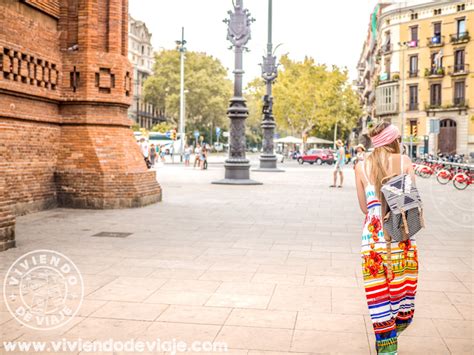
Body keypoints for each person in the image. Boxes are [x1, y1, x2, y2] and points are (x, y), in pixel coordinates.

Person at [354, 122, 418, 355]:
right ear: (393, 140)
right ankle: (396, 329)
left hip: (372, 242)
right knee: (403, 293)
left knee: (378, 297)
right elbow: (410, 205)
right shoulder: (404, 163)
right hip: (399, 239)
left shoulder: (360, 167)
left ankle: (386, 346)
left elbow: (364, 208)